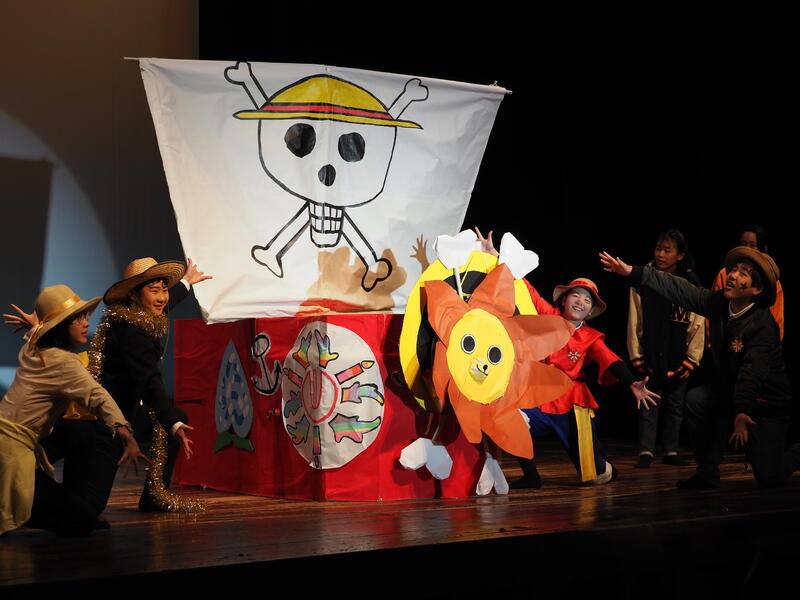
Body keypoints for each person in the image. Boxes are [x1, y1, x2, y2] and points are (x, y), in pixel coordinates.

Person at [601, 247, 800, 488]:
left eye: (743, 273)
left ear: (756, 289)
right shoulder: (719, 303)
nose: (732, 275)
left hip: (765, 404)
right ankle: (707, 471)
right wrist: (634, 272)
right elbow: (680, 289)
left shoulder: (763, 327)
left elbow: (751, 373)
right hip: (732, 393)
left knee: (769, 476)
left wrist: (741, 411)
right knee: (698, 399)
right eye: (734, 269)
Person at [1, 285, 147, 536]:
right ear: (60, 326)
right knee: (81, 521)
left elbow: (36, 337)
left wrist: (36, 328)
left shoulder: (33, 350)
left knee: (79, 431)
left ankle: (73, 505)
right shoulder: (63, 362)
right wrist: (123, 430)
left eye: (85, 316)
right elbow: (97, 395)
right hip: (10, 455)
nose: (85, 323)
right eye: (77, 319)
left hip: (12, 443)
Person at [90, 257, 211, 511]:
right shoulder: (132, 330)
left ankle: (154, 495)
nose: (162, 297)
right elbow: (150, 380)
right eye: (154, 291)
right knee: (91, 504)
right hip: (112, 414)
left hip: (130, 405)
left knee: (174, 416)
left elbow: (165, 304)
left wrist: (186, 282)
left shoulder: (137, 314)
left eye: (164, 290)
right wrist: (172, 423)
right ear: (134, 295)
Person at [515, 278, 659, 487]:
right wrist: (507, 264)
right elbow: (529, 291)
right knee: (510, 418)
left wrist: (631, 382)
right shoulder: (549, 315)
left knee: (595, 474)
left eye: (587, 300)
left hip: (571, 403)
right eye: (575, 295)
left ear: (590, 311)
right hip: (538, 395)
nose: (580, 301)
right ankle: (531, 476)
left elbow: (609, 359)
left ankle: (605, 468)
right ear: (564, 300)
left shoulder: (591, 337)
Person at [628, 229, 704, 468]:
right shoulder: (644, 278)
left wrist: (692, 358)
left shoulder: (690, 281)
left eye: (667, 250)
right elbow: (635, 318)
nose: (660, 254)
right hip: (652, 351)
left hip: (678, 351)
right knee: (649, 402)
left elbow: (698, 322)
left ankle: (671, 450)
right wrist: (636, 354)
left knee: (675, 404)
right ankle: (646, 451)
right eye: (658, 249)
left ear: (680, 255)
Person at [711, 225, 784, 339]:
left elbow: (776, 320)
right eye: (743, 244)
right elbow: (713, 307)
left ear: (763, 250)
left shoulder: (771, 282)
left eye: (752, 246)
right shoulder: (725, 274)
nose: (746, 249)